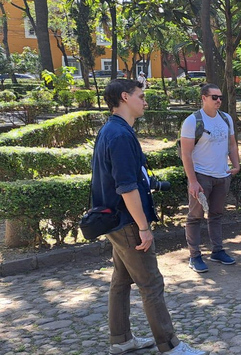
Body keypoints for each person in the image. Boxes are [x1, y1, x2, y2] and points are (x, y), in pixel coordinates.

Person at [91, 79, 206, 355]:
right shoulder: (118, 135)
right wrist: (143, 227)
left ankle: (121, 341)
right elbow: (126, 187)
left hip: (116, 221)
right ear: (124, 97)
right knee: (151, 284)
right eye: (140, 96)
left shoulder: (114, 129)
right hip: (127, 223)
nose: (145, 101)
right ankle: (170, 346)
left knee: (121, 281)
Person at [181, 84, 240, 273]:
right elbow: (186, 154)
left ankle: (217, 251)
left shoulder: (226, 118)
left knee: (216, 215)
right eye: (214, 97)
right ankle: (195, 255)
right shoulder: (192, 121)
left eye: (220, 97)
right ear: (203, 98)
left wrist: (236, 164)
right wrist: (193, 181)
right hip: (201, 175)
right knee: (195, 217)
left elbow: (232, 144)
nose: (218, 100)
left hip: (222, 175)